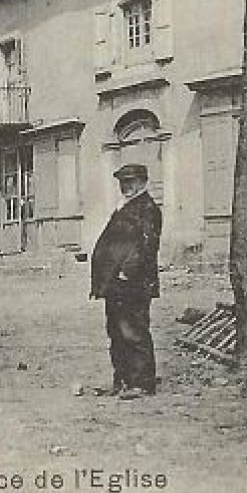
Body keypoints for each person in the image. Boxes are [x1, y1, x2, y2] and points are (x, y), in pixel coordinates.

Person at [90, 163, 162, 399]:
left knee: (134, 331)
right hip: (115, 284)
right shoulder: (125, 206)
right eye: (123, 182)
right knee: (116, 333)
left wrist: (127, 272)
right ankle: (121, 380)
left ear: (143, 181)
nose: (126, 186)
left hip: (133, 284)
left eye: (130, 181)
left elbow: (145, 247)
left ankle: (142, 383)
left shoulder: (147, 209)